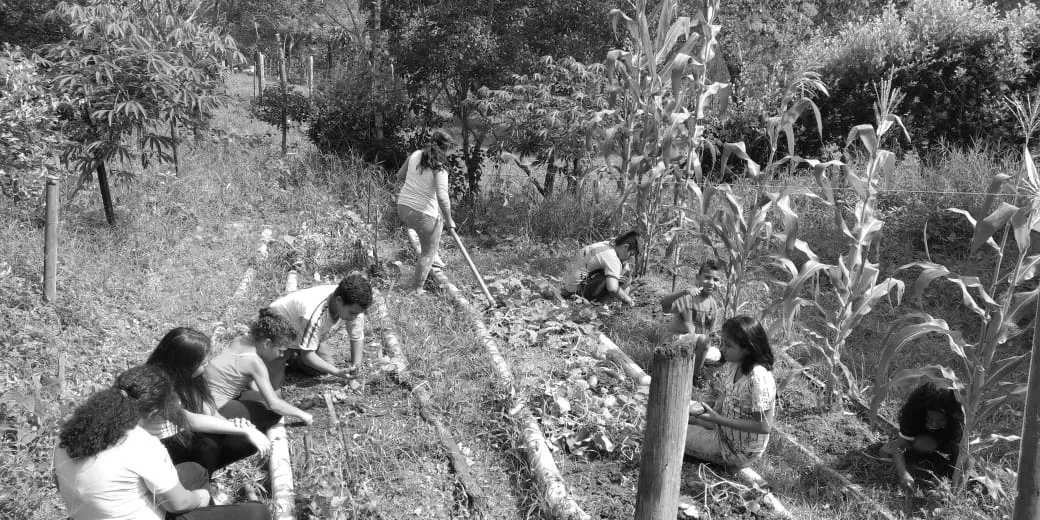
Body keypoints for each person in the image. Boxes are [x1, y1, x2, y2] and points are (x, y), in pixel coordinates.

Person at [53, 365, 270, 520]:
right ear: (155, 412)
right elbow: (179, 504)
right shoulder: (141, 444)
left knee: (196, 471)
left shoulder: (70, 433)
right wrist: (201, 497)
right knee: (258, 513)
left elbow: (62, 480)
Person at [146, 328, 273, 474]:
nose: (207, 366)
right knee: (209, 444)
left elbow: (207, 408)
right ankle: (199, 481)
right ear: (184, 364)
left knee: (248, 432)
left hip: (181, 432)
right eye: (203, 363)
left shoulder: (189, 377)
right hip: (160, 445)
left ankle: (203, 472)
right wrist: (244, 430)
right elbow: (191, 420)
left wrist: (232, 424)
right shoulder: (155, 385)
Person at [684, 315, 776, 470]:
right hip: (724, 427)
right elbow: (727, 393)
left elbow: (763, 426)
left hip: (736, 449)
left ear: (748, 348)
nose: (722, 348)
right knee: (679, 410)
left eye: (728, 345)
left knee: (673, 430)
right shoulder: (735, 364)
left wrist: (718, 419)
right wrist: (714, 408)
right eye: (722, 343)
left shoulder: (758, 378)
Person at [205, 308, 314, 426]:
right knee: (273, 414)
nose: (282, 355)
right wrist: (303, 415)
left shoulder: (240, 340)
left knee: (263, 398)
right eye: (280, 350)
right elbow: (274, 404)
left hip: (202, 394)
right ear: (267, 343)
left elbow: (246, 380)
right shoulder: (254, 362)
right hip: (214, 407)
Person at [266, 273, 373, 389]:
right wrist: (338, 373)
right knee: (272, 384)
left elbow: (356, 338)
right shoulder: (315, 313)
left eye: (358, 313)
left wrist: (354, 372)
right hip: (277, 331)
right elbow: (308, 356)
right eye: (352, 313)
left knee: (323, 367)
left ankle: (297, 354)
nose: (355, 317)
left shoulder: (353, 306)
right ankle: (285, 356)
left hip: (302, 330)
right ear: (339, 300)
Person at [396, 129, 456, 293]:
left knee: (437, 223)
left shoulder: (415, 155)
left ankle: (433, 255)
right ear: (447, 148)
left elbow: (399, 176)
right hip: (422, 215)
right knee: (428, 252)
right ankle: (417, 289)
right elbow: (442, 197)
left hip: (403, 208)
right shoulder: (439, 167)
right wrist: (450, 220)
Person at [882, 382, 963, 492]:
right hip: (920, 436)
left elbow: (964, 455)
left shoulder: (957, 423)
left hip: (945, 438)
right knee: (921, 444)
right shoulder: (913, 415)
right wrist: (903, 474)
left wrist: (954, 481)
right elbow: (899, 447)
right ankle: (918, 450)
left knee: (957, 456)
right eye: (930, 419)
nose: (934, 424)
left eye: (940, 420)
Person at [659, 260, 724, 383]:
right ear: (697, 278)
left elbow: (709, 332)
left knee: (721, 355)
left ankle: (692, 364)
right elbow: (664, 304)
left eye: (716, 280)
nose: (711, 282)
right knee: (704, 342)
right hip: (674, 341)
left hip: (695, 343)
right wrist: (683, 291)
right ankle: (693, 378)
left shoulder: (713, 305)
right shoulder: (688, 297)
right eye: (706, 277)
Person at [561, 230, 640, 306]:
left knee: (624, 269)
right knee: (623, 276)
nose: (628, 258)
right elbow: (612, 288)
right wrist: (628, 300)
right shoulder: (612, 257)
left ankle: (602, 302)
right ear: (626, 247)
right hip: (576, 291)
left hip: (568, 288)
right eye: (630, 254)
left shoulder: (606, 245)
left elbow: (625, 266)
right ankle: (598, 305)